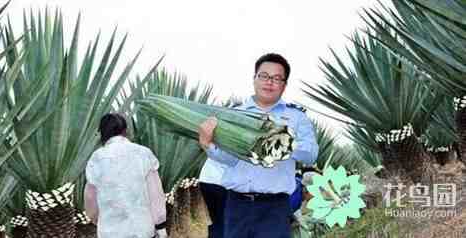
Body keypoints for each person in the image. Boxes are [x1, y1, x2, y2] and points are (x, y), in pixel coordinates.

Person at [198, 53, 319, 238]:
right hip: (236, 205)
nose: (269, 82)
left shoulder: (297, 117)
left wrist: (282, 142)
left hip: (275, 208)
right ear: (254, 79)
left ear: (284, 85)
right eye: (264, 76)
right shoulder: (233, 115)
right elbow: (228, 159)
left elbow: (311, 155)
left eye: (277, 78)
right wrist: (208, 145)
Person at [85, 113, 168, 238]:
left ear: (102, 133)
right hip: (142, 230)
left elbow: (90, 197)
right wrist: (161, 226)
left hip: (110, 232)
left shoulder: (97, 158)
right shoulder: (143, 153)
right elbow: (155, 194)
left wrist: (99, 220)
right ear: (125, 131)